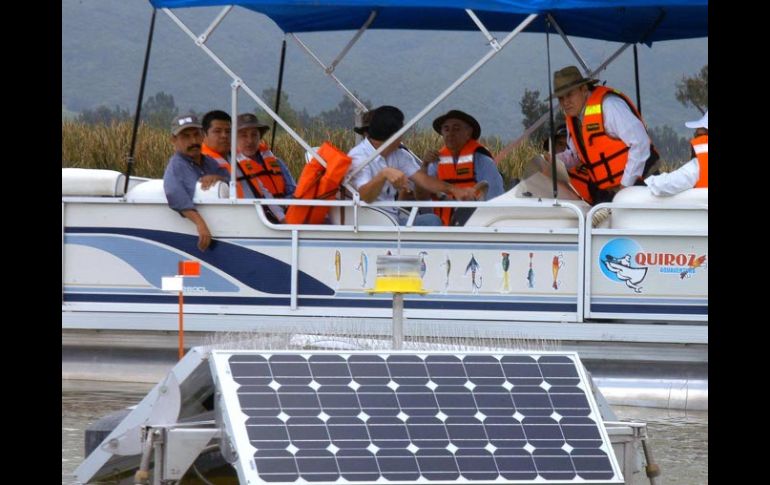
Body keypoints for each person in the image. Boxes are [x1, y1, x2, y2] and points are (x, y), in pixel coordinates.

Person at [346, 105, 477, 226]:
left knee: (432, 220)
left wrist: (454, 190)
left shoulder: (399, 155)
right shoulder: (359, 157)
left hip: (392, 219)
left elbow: (424, 180)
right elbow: (365, 196)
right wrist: (383, 174)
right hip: (371, 224)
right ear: (394, 136)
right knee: (431, 223)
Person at [553, 65, 659, 204]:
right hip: (609, 194)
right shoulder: (573, 119)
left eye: (569, 95)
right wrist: (553, 161)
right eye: (561, 98)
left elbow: (640, 143)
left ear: (584, 89)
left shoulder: (609, 106)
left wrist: (625, 186)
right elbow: (575, 155)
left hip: (640, 187)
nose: (565, 102)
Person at [420, 110, 504, 225]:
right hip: (440, 230)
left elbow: (495, 201)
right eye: (446, 129)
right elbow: (421, 197)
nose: (450, 133)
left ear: (468, 133)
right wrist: (424, 166)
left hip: (473, 227)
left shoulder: (484, 163)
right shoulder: (435, 163)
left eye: (456, 128)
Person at [163, 114, 230, 251]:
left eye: (196, 135)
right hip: (197, 236)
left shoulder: (209, 161)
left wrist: (218, 178)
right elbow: (175, 195)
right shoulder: (176, 166)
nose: (193, 141)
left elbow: (229, 180)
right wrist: (200, 225)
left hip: (223, 228)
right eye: (186, 136)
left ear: (202, 136)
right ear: (173, 140)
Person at [234, 113, 297, 222]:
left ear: (260, 137)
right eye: (244, 135)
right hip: (256, 220)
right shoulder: (233, 167)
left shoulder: (277, 163)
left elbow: (292, 191)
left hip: (286, 216)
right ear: (234, 139)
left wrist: (284, 205)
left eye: (254, 135)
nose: (249, 140)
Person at [645, 111, 708, 196]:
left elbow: (665, 186)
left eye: (699, 135)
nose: (695, 138)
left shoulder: (700, 165)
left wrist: (645, 182)